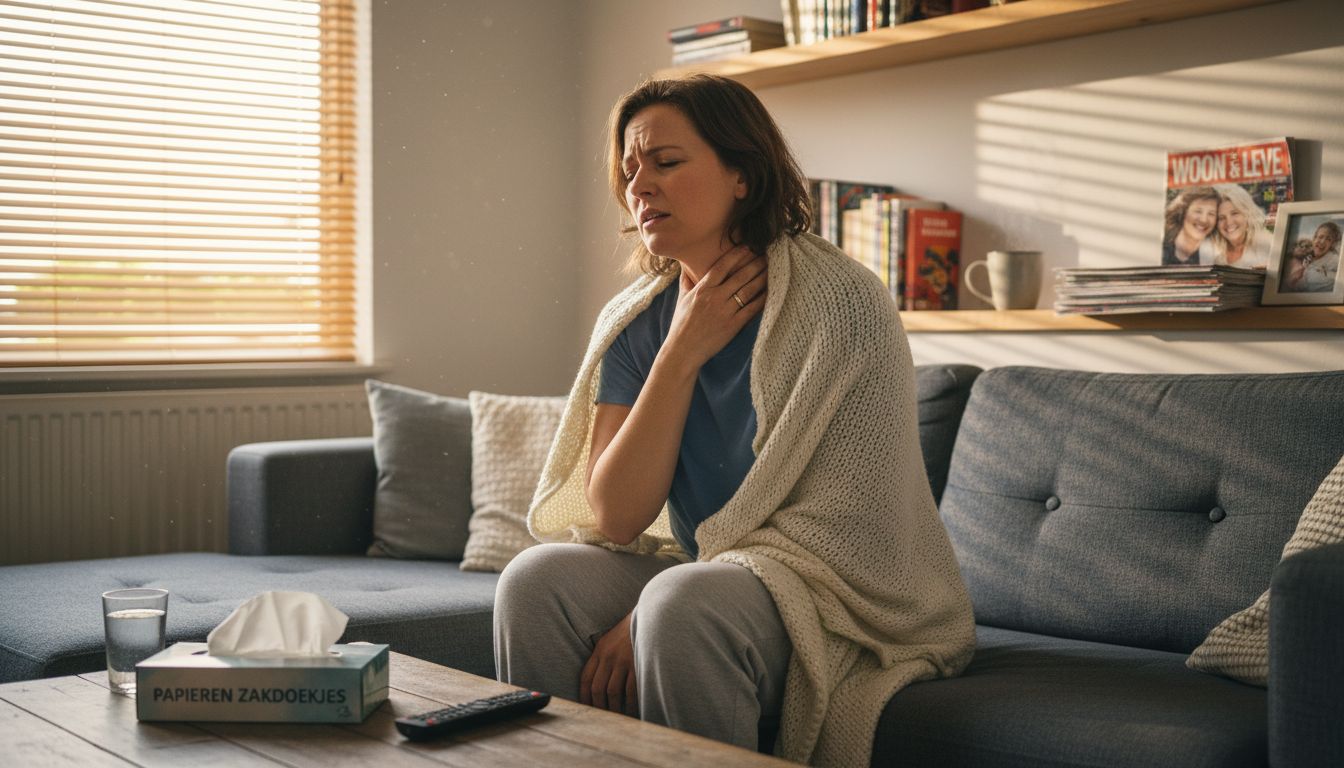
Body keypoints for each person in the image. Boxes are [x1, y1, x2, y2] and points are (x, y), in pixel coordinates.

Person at [493, 74, 974, 767]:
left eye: (666, 161)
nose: (640, 187)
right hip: (707, 575)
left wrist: (646, 611)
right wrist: (681, 353)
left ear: (742, 174)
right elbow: (618, 515)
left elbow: (845, 528)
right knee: (535, 582)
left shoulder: (843, 304)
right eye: (630, 171)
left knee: (682, 604)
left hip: (836, 596)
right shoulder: (635, 320)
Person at [1199, 184, 1272, 269]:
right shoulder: (1212, 253)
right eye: (1221, 218)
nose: (1228, 222)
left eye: (1234, 213)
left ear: (1247, 214)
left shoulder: (1267, 245)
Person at [1162, 186, 1219, 265]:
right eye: (1198, 211)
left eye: (1211, 214)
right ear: (1183, 211)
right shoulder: (1161, 246)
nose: (1204, 220)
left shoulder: (1216, 257)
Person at [1282, 221, 1341, 292]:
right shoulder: (1307, 258)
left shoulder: (1334, 260)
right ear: (1314, 239)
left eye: (1328, 239)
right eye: (1320, 237)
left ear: (1332, 244)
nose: (1322, 241)